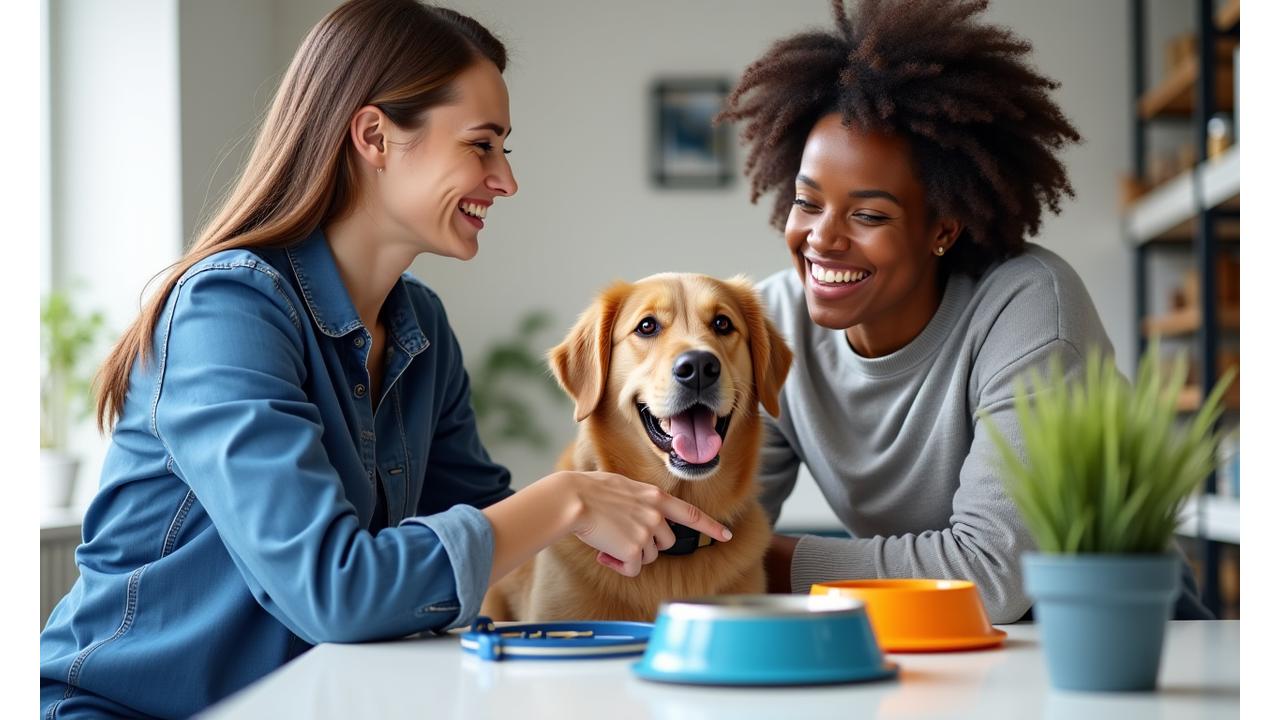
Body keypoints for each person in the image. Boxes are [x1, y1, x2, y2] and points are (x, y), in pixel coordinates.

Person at [39, 1, 731, 716]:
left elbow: (492, 532)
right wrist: (569, 498)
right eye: (482, 145)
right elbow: (336, 591)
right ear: (374, 136)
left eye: (505, 150)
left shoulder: (420, 327)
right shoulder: (227, 311)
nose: (505, 180)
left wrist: (683, 538)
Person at [717, 0, 1210, 622]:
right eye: (807, 202)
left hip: (1110, 631)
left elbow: (994, 575)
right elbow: (716, 521)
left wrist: (756, 562)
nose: (822, 238)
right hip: (932, 629)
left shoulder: (1027, 307)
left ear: (942, 229)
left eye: (868, 214)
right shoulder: (771, 327)